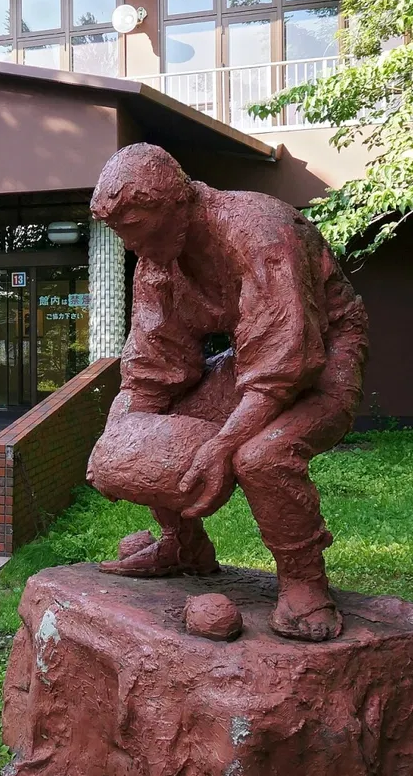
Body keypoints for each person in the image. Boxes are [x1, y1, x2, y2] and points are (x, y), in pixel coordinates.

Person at [85, 143, 368, 642]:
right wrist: (120, 435)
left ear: (177, 204)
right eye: (125, 238)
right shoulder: (159, 260)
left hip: (323, 352)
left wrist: (221, 445)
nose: (133, 250)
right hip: (250, 362)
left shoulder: (260, 230)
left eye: (138, 233)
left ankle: (304, 581)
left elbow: (286, 358)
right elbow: (153, 366)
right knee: (145, 432)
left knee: (262, 455)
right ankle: (184, 546)